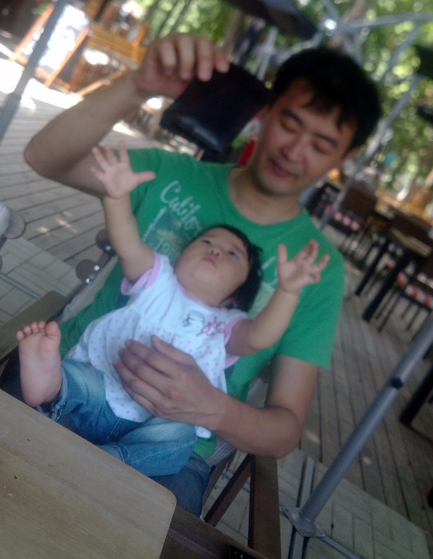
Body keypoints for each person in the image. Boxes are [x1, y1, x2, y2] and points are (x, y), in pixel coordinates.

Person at [22, 34, 381, 514]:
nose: (295, 151)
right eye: (290, 123)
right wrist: (138, 85)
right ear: (265, 112)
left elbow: (285, 430)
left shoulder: (319, 267)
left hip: (174, 445)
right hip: (68, 379)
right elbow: (44, 157)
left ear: (343, 158)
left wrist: (209, 406)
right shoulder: (171, 173)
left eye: (321, 144)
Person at [16, 141, 328, 479]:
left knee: (179, 438)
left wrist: (288, 292)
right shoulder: (158, 279)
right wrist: (117, 198)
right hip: (101, 390)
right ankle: (49, 384)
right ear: (178, 260)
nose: (215, 250)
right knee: (76, 378)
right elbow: (127, 244)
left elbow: (260, 337)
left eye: (232, 254)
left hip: (158, 422)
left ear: (235, 298)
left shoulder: (226, 324)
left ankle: (111, 462)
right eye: (206, 242)